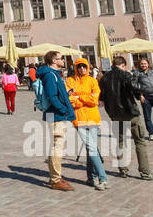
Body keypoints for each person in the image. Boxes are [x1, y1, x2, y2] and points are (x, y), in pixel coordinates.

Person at [101, 55, 153, 180]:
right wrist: (142, 91)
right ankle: (145, 172)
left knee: (121, 142)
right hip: (130, 113)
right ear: (123, 65)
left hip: (115, 115)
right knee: (140, 141)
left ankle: (123, 170)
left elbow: (102, 98)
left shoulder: (104, 78)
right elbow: (136, 87)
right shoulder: (126, 75)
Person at [36, 51, 76, 191]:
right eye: (61, 58)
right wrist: (63, 109)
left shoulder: (54, 74)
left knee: (58, 145)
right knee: (57, 145)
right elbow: (52, 96)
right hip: (55, 114)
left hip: (57, 113)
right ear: (54, 60)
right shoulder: (50, 75)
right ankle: (55, 180)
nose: (63, 61)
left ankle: (56, 175)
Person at [67, 58, 108, 190]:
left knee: (91, 148)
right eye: (79, 67)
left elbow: (94, 100)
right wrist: (83, 99)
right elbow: (69, 99)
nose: (82, 69)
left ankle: (91, 177)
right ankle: (103, 178)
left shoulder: (92, 81)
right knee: (92, 148)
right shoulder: (70, 81)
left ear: (88, 68)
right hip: (79, 119)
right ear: (76, 68)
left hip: (93, 118)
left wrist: (80, 98)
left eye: (84, 67)